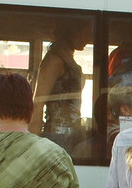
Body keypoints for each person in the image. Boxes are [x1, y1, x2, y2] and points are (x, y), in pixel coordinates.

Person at [29, 20, 92, 150]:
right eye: (85, 33)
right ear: (72, 33)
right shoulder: (55, 60)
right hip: (58, 134)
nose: (88, 39)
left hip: (72, 133)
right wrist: (32, 145)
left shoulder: (66, 58)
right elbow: (38, 101)